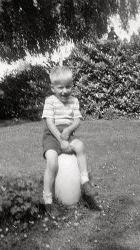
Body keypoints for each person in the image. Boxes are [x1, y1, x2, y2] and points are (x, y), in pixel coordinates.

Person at [42, 66, 99, 219]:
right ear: (53, 88)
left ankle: (85, 182)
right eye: (60, 87)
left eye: (68, 87)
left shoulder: (74, 101)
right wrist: (61, 139)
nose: (65, 91)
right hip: (52, 135)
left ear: (72, 86)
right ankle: (48, 200)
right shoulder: (50, 101)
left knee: (80, 146)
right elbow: (50, 123)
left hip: (68, 133)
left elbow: (77, 120)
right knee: (52, 162)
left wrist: (69, 130)